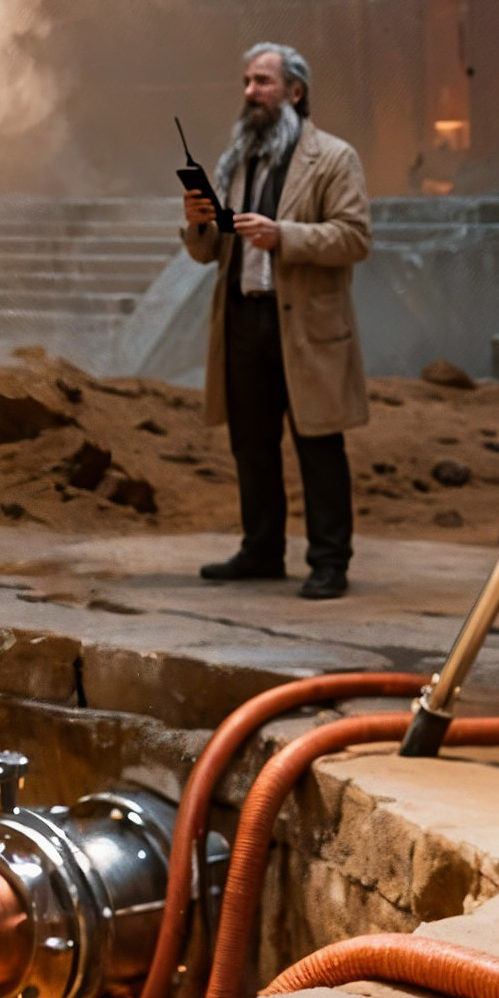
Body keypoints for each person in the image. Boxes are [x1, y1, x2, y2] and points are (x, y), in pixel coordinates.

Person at [180, 41, 372, 599]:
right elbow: (209, 251)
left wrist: (283, 235)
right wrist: (197, 224)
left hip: (306, 329)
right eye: (246, 81)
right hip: (244, 322)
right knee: (252, 444)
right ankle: (261, 550)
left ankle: (330, 561)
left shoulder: (334, 158)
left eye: (262, 81)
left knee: (318, 444)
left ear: (295, 91)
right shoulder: (238, 159)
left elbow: (355, 237)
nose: (250, 93)